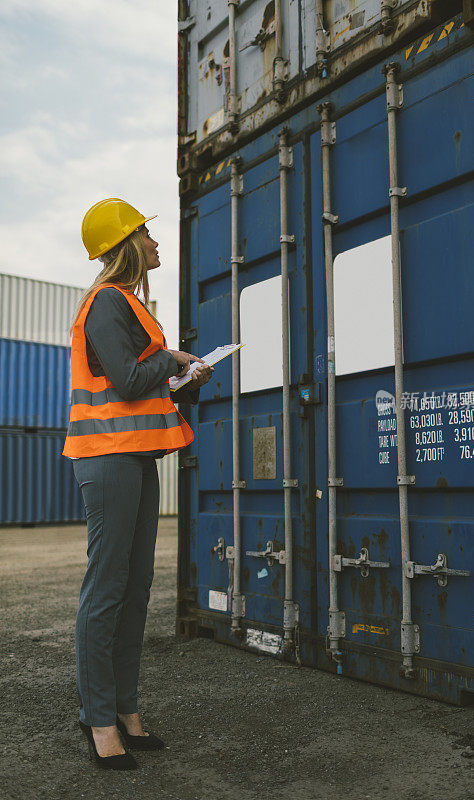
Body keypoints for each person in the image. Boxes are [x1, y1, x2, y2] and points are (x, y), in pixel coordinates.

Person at [63, 198, 213, 770]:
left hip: (137, 457)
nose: (156, 244)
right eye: (147, 235)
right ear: (127, 244)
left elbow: (143, 385)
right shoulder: (106, 302)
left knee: (137, 585)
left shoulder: (131, 304)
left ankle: (125, 708)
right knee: (106, 589)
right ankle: (98, 717)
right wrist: (171, 359)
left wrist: (185, 379)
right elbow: (127, 380)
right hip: (107, 460)